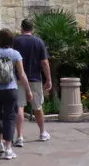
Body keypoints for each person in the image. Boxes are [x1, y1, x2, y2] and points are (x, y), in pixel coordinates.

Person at [0, 28, 33, 161]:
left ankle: (0, 144)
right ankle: (9, 149)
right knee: (9, 117)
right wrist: (28, 90)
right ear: (11, 40)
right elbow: (22, 74)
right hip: (11, 89)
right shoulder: (15, 54)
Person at [12, 18, 52, 146]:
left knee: (20, 107)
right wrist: (49, 79)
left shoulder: (15, 41)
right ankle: (42, 132)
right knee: (38, 107)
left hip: (18, 78)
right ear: (32, 28)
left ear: (21, 28)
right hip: (35, 78)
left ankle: (20, 137)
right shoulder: (39, 42)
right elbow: (44, 62)